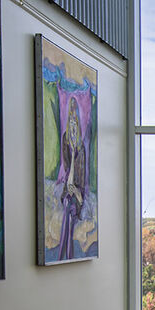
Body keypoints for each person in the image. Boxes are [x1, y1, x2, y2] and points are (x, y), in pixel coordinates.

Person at [57, 96, 87, 260]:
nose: (73, 127)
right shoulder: (65, 140)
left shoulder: (81, 147)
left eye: (76, 123)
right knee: (68, 207)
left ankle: (67, 254)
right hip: (69, 188)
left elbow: (80, 177)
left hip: (77, 189)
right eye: (71, 123)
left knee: (72, 209)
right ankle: (64, 254)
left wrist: (77, 192)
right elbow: (68, 167)